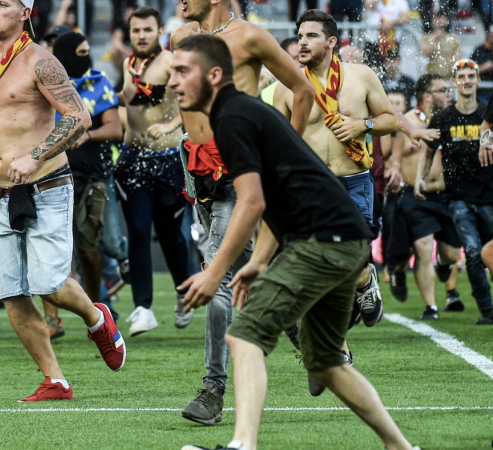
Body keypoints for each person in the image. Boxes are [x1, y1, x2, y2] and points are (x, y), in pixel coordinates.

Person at [170, 33, 421, 450]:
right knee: (324, 362)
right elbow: (273, 199)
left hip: (323, 241)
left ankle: (242, 445)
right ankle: (400, 446)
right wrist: (259, 260)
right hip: (346, 241)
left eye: (183, 71)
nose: (173, 81)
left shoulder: (232, 119)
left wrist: (215, 272)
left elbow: (250, 203)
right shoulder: (240, 113)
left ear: (214, 75)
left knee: (244, 335)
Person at [0, 0, 125, 401]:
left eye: (3, 3)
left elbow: (78, 118)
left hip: (46, 187)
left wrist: (34, 155)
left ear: (25, 12)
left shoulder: (40, 61)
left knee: (48, 284)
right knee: (9, 291)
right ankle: (56, 379)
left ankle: (95, 315)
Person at [169, 0, 315, 426]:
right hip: (201, 175)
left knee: (217, 275)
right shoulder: (181, 38)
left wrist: (287, 153)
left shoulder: (250, 36)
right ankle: (311, 345)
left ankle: (213, 390)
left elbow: (303, 91)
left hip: (240, 171)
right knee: (255, 272)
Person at [274, 9, 399, 395]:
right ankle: (333, 353)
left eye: (311, 36)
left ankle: (365, 280)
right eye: (299, 36)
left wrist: (364, 125)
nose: (302, 43)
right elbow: (278, 143)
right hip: (311, 191)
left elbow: (391, 119)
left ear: (332, 42)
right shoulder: (286, 86)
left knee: (351, 265)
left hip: (355, 182)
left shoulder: (361, 77)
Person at [116, 7, 191, 337]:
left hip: (167, 160)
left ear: (160, 30)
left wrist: (170, 124)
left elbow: (191, 103)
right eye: (136, 30)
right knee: (137, 230)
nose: (141, 35)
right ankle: (142, 307)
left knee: (171, 235)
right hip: (134, 159)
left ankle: (183, 290)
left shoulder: (172, 62)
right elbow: (130, 106)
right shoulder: (128, 64)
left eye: (148, 29)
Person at [51, 31, 124, 332]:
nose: (86, 58)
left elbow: (116, 128)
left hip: (93, 174)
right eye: (78, 53)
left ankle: (99, 307)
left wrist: (87, 135)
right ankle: (76, 315)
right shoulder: (47, 85)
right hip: (53, 176)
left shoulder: (97, 82)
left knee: (102, 246)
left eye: (87, 51)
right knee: (66, 249)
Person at [387, 74, 464, 318]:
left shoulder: (452, 120)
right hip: (416, 195)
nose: (448, 94)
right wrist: (394, 171)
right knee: (422, 245)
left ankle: (442, 264)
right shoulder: (408, 122)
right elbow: (395, 159)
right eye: (442, 90)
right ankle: (430, 306)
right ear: (428, 95)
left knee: (451, 254)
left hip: (445, 194)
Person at [423, 59, 493, 325]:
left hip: (488, 194)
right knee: (473, 252)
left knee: (489, 252)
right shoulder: (442, 118)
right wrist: (421, 179)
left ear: (478, 80)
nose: (466, 80)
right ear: (454, 82)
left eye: (471, 76)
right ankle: (488, 310)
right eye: (461, 76)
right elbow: (429, 151)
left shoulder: (488, 113)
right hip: (458, 197)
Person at [420, 12, 462, 79]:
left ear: (447, 21)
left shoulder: (454, 39)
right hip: (431, 77)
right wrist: (435, 39)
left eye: (443, 18)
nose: (441, 21)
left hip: (449, 78)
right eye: (438, 19)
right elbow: (424, 54)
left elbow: (458, 61)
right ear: (433, 21)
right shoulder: (427, 38)